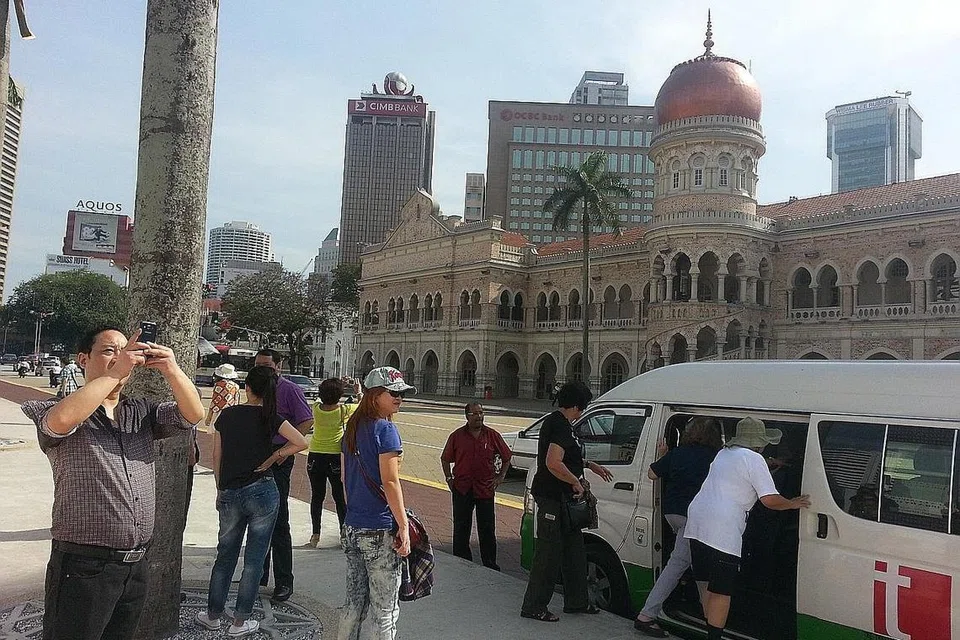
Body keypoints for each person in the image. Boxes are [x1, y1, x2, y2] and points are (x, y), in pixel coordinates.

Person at [20, 325, 204, 640]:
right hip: (84, 566)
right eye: (109, 351)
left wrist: (172, 368)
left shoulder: (141, 411)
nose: (121, 358)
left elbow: (193, 414)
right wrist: (115, 374)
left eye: (126, 351)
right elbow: (59, 423)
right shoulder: (60, 409)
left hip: (135, 564)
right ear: (82, 358)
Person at [196, 366, 309, 637]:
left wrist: (219, 489)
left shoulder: (227, 415)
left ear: (247, 388)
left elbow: (217, 456)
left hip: (231, 491)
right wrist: (274, 457)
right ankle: (240, 621)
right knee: (254, 560)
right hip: (263, 491)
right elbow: (301, 442)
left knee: (225, 556)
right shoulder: (271, 417)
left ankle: (213, 614)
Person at [684, 417, 811, 640]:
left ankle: (708, 627)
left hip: (697, 523)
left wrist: (769, 463)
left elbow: (740, 473)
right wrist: (793, 503)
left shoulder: (724, 453)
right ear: (760, 443)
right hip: (722, 530)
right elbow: (770, 500)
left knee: (705, 582)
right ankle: (714, 637)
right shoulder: (754, 459)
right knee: (722, 591)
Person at [520, 381, 614, 622]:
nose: (581, 413)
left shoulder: (564, 425)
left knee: (575, 551)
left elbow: (567, 456)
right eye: (582, 408)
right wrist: (576, 482)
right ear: (576, 406)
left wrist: (587, 464)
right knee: (548, 554)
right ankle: (534, 606)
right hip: (553, 497)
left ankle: (577, 601)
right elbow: (553, 462)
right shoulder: (559, 424)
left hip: (564, 500)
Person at [338, 366, 415, 640]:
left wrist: (353, 511)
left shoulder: (352, 427)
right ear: (374, 395)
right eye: (393, 393)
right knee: (384, 608)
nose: (399, 398)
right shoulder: (386, 430)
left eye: (402, 393)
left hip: (353, 526)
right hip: (379, 529)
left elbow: (346, 477)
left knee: (354, 603)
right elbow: (391, 482)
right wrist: (403, 527)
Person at [634, 417, 723, 637]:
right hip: (695, 517)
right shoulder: (716, 458)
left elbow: (652, 474)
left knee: (695, 563)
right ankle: (647, 615)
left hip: (672, 514)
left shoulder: (678, 453)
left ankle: (709, 616)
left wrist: (664, 456)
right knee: (681, 565)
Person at [255, 349, 313, 602]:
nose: (263, 370)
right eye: (258, 365)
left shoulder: (289, 390)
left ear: (279, 366)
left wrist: (285, 450)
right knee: (257, 520)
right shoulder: (255, 388)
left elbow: (306, 420)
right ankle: (258, 573)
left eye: (267, 365)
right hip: (257, 455)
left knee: (279, 522)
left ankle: (283, 581)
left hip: (279, 458)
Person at [440, 402, 512, 570]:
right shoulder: (457, 436)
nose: (479, 416)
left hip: (485, 489)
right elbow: (445, 458)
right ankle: (461, 560)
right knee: (461, 527)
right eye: (475, 413)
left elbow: (507, 456)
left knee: (487, 528)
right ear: (467, 416)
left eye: (481, 413)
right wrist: (449, 478)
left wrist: (500, 477)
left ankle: (489, 562)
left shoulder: (492, 435)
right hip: (462, 488)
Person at [306, 377, 354, 547]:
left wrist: (336, 384)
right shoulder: (343, 411)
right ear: (340, 395)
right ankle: (343, 534)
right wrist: (357, 390)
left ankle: (315, 536)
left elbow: (320, 398)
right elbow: (363, 405)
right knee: (339, 497)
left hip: (314, 456)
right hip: (333, 457)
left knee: (317, 497)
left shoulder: (316, 408)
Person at [205, 363, 241, 428]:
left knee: (216, 433)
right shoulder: (236, 386)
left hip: (218, 412)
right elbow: (236, 401)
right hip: (231, 413)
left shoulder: (218, 385)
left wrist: (209, 416)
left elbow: (214, 402)